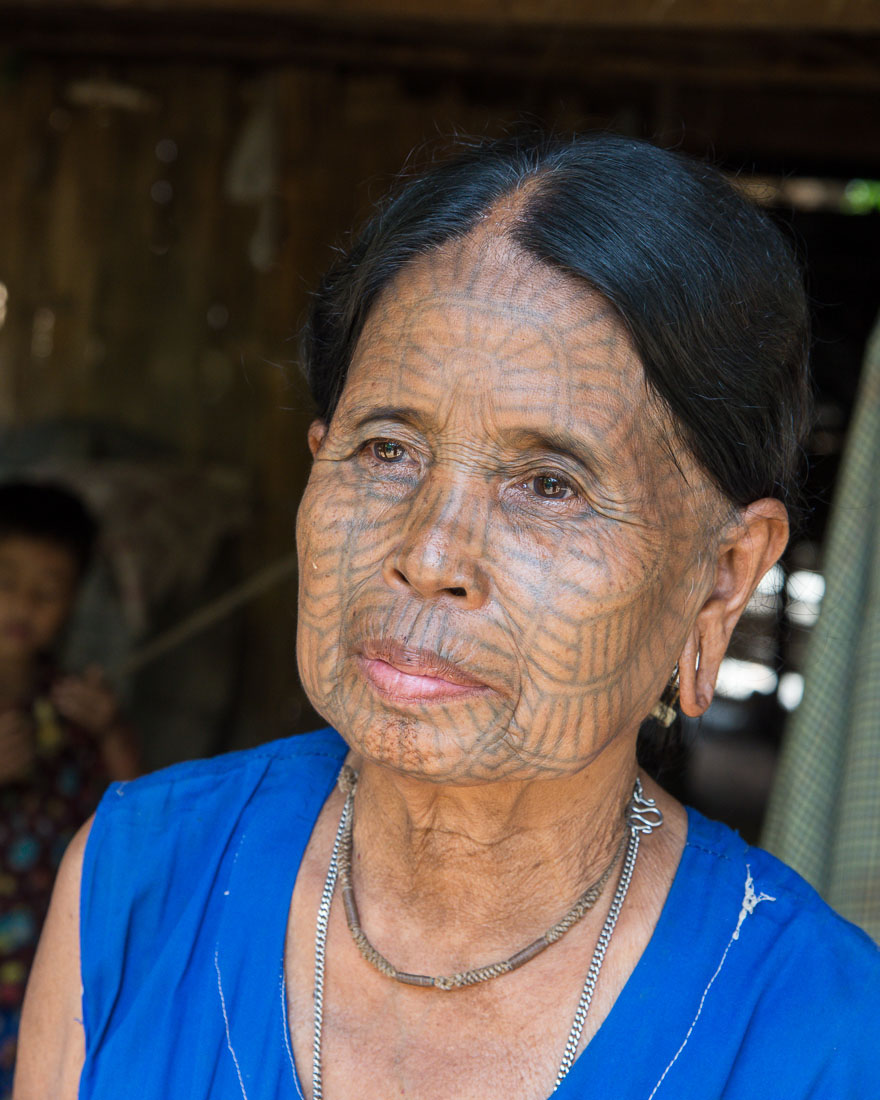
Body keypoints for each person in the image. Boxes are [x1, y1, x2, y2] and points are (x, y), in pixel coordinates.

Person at [15, 133, 880, 1100]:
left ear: (722, 578)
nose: (428, 556)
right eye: (386, 451)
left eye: (549, 485)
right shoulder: (136, 881)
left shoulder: (823, 1033)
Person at [0, 481, 138, 1097]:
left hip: (48, 960)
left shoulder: (74, 707)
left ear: (76, 599)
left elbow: (136, 815)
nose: (21, 606)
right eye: (5, 581)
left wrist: (110, 731)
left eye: (47, 591)